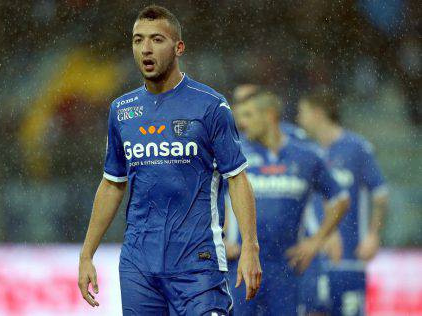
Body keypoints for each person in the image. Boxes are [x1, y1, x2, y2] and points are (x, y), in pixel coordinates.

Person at [77, 5, 262, 315]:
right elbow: (112, 184)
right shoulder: (122, 111)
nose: (145, 49)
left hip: (197, 264)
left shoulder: (210, 106)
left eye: (157, 39)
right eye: (138, 40)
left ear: (178, 48)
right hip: (139, 265)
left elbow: (237, 179)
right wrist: (86, 255)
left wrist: (250, 248)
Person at [225, 91, 349, 315]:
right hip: (241, 267)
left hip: (287, 268)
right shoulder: (235, 153)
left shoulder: (305, 157)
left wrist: (317, 240)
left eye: (249, 115)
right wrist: (218, 240)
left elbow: (341, 199)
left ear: (270, 115)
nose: (242, 123)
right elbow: (205, 198)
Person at [297, 88, 389, 316]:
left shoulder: (356, 148)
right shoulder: (305, 151)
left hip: (349, 256)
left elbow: (380, 194)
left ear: (318, 113)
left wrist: (373, 235)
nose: (299, 118)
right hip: (313, 256)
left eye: (303, 112)